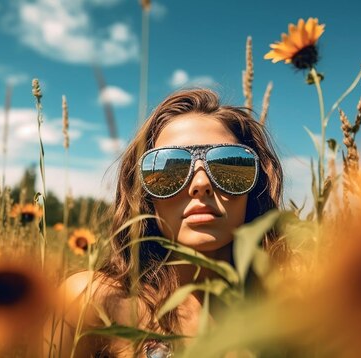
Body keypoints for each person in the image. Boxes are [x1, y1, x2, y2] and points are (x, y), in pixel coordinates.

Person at [48, 88, 284, 357]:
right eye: (169, 168)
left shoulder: (287, 314)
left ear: (254, 189)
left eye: (229, 164)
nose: (201, 184)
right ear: (144, 195)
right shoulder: (90, 301)